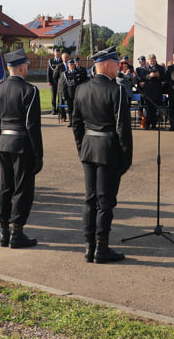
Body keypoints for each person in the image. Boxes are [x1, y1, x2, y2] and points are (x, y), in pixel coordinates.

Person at [71, 46, 132, 263]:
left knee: (90, 199)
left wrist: (81, 147)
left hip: (88, 148)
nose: (119, 67)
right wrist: (126, 158)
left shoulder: (81, 89)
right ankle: (101, 248)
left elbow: (76, 124)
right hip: (108, 150)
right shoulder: (117, 91)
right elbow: (123, 128)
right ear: (106, 65)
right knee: (105, 202)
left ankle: (89, 247)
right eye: (116, 63)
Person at [0, 48, 43, 248]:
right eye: (27, 66)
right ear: (21, 67)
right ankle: (17, 233)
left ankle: (4, 231)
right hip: (22, 145)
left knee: (5, 187)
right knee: (22, 189)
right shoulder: (30, 90)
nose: (27, 69)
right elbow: (32, 126)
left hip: (3, 143)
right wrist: (38, 153)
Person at [139, 54, 165, 130]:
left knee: (155, 109)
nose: (152, 62)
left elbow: (164, 77)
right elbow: (142, 77)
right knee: (148, 109)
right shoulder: (145, 68)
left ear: (155, 60)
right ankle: (147, 124)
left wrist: (158, 75)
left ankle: (154, 124)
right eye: (151, 61)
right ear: (148, 61)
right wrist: (149, 76)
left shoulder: (160, 68)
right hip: (148, 92)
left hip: (157, 92)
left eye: (153, 60)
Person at [46, 47, 62, 115]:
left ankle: (59, 109)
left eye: (58, 52)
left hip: (60, 81)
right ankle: (53, 109)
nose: (57, 53)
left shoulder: (62, 61)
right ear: (54, 53)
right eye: (56, 52)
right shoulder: (51, 61)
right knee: (53, 96)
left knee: (60, 96)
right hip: (53, 81)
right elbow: (48, 71)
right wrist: (48, 81)